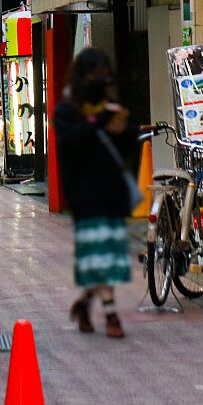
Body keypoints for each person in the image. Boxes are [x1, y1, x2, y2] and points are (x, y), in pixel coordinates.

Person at [52, 48, 132, 338]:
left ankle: (85, 303)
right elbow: (71, 142)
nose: (100, 80)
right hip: (84, 194)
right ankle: (111, 315)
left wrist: (123, 127)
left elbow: (125, 146)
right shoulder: (66, 111)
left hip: (111, 191)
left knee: (105, 253)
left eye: (104, 74)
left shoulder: (110, 106)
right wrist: (99, 121)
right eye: (95, 74)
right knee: (99, 253)